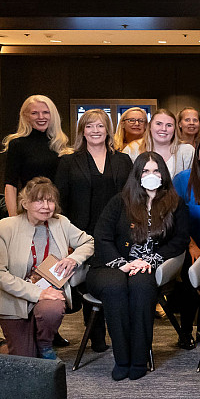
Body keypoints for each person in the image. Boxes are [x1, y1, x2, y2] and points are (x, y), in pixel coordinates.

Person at [89, 153, 190, 381]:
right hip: (110, 266)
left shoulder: (176, 203)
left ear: (163, 175)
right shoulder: (120, 201)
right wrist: (122, 264)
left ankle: (138, 359)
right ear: (137, 175)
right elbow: (102, 236)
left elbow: (180, 240)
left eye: (156, 171)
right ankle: (121, 359)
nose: (151, 175)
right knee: (115, 287)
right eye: (145, 171)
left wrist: (151, 260)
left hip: (147, 266)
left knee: (142, 287)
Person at [0, 178, 93, 359]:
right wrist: (37, 293)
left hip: (50, 290)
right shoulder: (4, 228)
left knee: (52, 309)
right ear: (25, 203)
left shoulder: (61, 222)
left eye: (50, 201)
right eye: (39, 200)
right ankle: (1, 347)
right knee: (26, 359)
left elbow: (88, 242)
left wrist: (73, 259)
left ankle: (45, 344)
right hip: (14, 299)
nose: (46, 206)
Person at [54, 110, 133, 353]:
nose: (95, 130)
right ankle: (96, 336)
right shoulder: (68, 161)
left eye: (100, 126)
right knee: (90, 280)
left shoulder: (123, 160)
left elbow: (133, 197)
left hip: (117, 233)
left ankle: (122, 335)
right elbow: (60, 201)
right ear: (82, 131)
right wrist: (65, 237)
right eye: (89, 126)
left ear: (108, 130)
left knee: (116, 280)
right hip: (81, 233)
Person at [2, 95, 68, 216]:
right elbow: (10, 185)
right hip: (31, 211)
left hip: (60, 212)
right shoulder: (17, 144)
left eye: (46, 112)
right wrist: (13, 219)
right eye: (34, 113)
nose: (41, 117)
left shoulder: (60, 144)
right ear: (26, 116)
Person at [126, 109, 194, 177]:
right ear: (150, 126)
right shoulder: (132, 150)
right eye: (158, 124)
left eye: (169, 125)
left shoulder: (187, 151)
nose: (164, 129)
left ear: (175, 129)